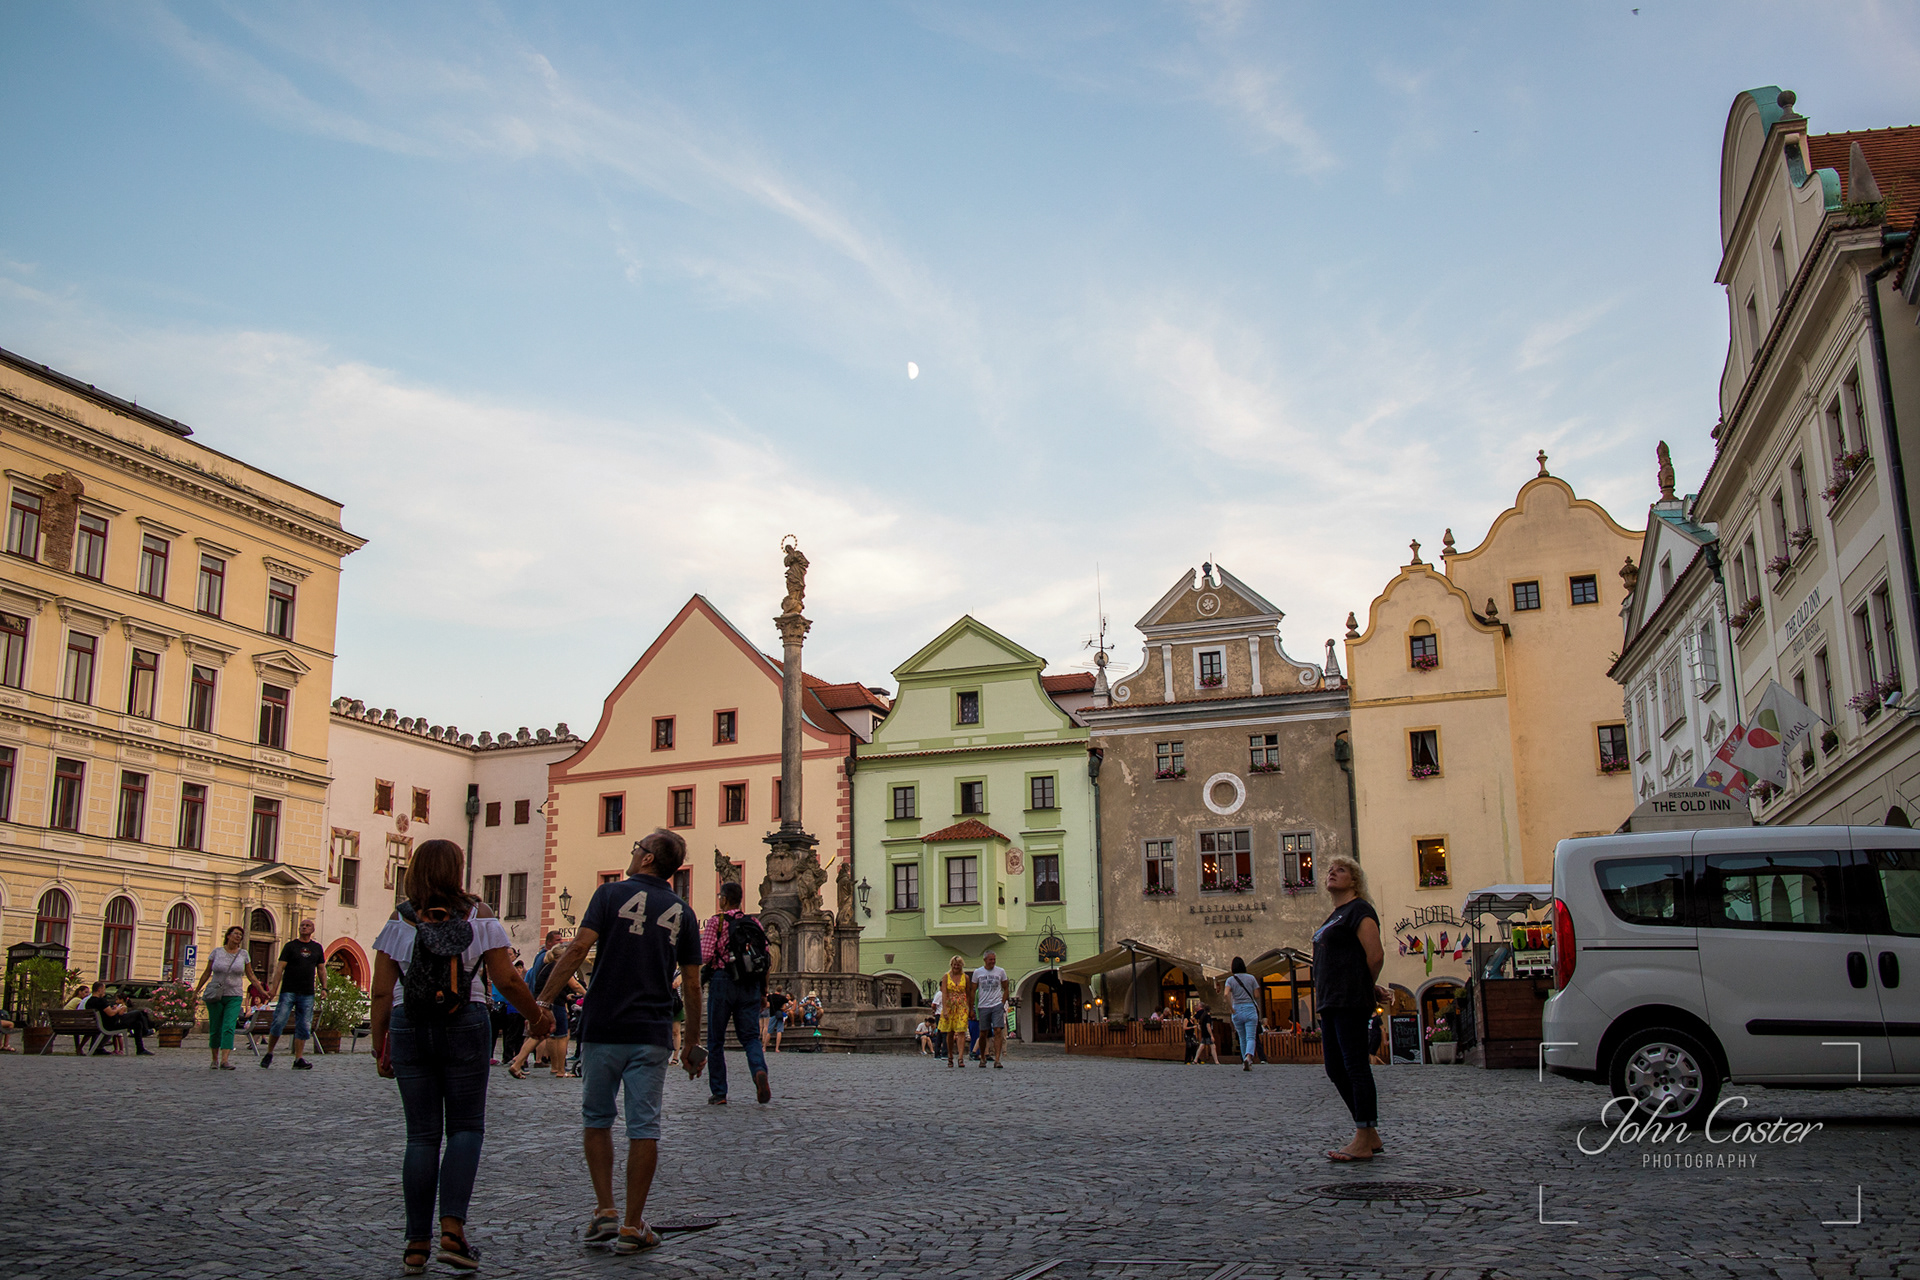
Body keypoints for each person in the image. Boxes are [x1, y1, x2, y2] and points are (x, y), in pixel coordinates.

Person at [371, 839, 550, 1274]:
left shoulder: (400, 918)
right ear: (456, 870)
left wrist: (380, 1044)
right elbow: (505, 978)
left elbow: (380, 990)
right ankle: (453, 1231)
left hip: (409, 1025)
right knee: (466, 1128)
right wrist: (537, 1017)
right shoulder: (479, 916)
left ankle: (416, 1245)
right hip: (466, 1021)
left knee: (421, 1137)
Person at [535, 830, 704, 1256]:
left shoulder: (609, 896)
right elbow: (695, 986)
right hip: (651, 1031)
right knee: (644, 1127)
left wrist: (542, 1002)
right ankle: (632, 1224)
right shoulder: (684, 912)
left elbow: (576, 951)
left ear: (648, 859)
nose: (632, 854)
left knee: (597, 1118)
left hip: (603, 1026)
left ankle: (606, 1209)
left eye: (637, 849)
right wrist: (693, 1042)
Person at [1315, 855, 1386, 1162]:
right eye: (1330, 870)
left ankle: (1363, 1136)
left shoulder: (1360, 910)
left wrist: (1364, 987)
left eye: (1340, 870)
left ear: (1355, 880)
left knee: (1355, 1066)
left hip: (1349, 1000)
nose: (1332, 873)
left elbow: (1375, 955)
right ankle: (1370, 1135)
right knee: (1335, 1068)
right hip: (1331, 1001)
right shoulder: (1333, 916)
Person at [698, 880, 771, 1105]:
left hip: (723, 981)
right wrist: (763, 993)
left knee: (716, 1040)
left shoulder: (716, 922)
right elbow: (765, 959)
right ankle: (759, 1071)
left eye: (720, 895)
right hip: (750, 985)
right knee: (750, 1037)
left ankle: (719, 1093)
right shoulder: (754, 923)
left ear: (724, 899)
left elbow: (706, 955)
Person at [194, 926, 263, 1070]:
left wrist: (262, 990)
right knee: (215, 1027)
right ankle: (214, 1059)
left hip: (235, 995)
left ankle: (225, 1060)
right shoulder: (217, 952)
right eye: (236, 934)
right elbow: (207, 973)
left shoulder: (244, 954)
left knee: (228, 1026)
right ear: (228, 936)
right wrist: (196, 991)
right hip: (215, 996)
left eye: (241, 935)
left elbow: (250, 975)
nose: (238, 937)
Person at [509, 947, 584, 1080]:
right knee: (562, 1036)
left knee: (542, 1034)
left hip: (543, 1003)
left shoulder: (546, 967)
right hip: (554, 1004)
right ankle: (561, 1070)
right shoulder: (559, 966)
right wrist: (588, 994)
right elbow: (575, 985)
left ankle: (519, 1061)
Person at [262, 918, 326, 1070]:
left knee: (304, 1025)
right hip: (289, 990)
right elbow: (279, 969)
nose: (304, 927)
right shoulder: (291, 946)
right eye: (302, 926)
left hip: (307, 992)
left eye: (307, 925)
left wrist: (324, 988)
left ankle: (298, 1058)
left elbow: (322, 969)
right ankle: (270, 1052)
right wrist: (273, 989)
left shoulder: (317, 948)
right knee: (279, 1021)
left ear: (312, 930)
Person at [85, 982, 156, 1055]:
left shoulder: (89, 1002)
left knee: (137, 1023)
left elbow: (107, 1012)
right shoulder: (101, 1001)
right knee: (138, 1013)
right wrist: (118, 1009)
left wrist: (113, 1009)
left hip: (103, 1024)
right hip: (112, 1024)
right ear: (99, 990)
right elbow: (111, 1013)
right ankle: (145, 1032)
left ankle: (141, 1048)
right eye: (103, 989)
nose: (104, 991)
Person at [971, 950, 1011, 1069]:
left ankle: (997, 1059)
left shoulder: (1000, 971)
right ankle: (983, 1056)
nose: (992, 962)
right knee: (983, 1033)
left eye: (994, 959)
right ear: (985, 960)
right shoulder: (978, 972)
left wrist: (1002, 1002)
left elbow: (1006, 988)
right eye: (990, 959)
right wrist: (971, 1007)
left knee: (998, 1030)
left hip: (996, 1005)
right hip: (983, 1006)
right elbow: (973, 990)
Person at [1224, 957, 1261, 1071]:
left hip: (1237, 1010)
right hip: (1249, 1008)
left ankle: (1245, 1058)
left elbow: (1226, 994)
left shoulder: (1230, 980)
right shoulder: (1251, 978)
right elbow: (1256, 995)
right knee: (1251, 1036)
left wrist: (1231, 1008)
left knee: (1242, 1037)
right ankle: (1248, 1057)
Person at [937, 957, 971, 1068]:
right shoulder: (946, 977)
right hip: (950, 1006)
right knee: (950, 1032)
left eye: (958, 965)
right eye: (954, 965)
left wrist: (970, 1008)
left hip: (962, 1006)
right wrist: (945, 1009)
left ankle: (960, 1057)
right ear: (951, 965)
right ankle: (950, 1055)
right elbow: (944, 993)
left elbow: (968, 993)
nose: (956, 967)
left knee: (961, 1031)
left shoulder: (965, 977)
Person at [764, 986, 789, 1053]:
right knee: (779, 1031)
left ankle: (764, 1047)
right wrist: (785, 1009)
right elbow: (791, 1003)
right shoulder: (782, 997)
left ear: (775, 989)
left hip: (772, 1014)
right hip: (780, 1014)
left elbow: (765, 997)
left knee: (769, 1031)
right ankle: (777, 1048)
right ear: (781, 991)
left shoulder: (771, 996)